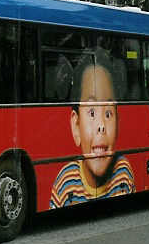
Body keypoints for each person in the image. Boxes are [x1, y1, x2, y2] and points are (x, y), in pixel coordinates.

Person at [50, 49, 134, 208]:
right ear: (76, 126)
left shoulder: (123, 171)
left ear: (118, 122)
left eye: (108, 114)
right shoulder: (65, 182)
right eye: (92, 112)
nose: (101, 126)